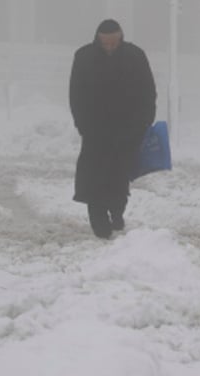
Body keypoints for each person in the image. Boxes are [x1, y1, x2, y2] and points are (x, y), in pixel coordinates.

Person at [69, 19, 156, 238]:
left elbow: (148, 93)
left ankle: (117, 211)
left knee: (119, 177)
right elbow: (75, 94)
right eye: (104, 43)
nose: (109, 47)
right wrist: (82, 124)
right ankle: (99, 223)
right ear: (97, 39)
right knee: (94, 178)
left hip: (127, 131)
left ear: (121, 38)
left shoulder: (135, 56)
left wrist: (143, 124)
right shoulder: (84, 57)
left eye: (113, 43)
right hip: (95, 131)